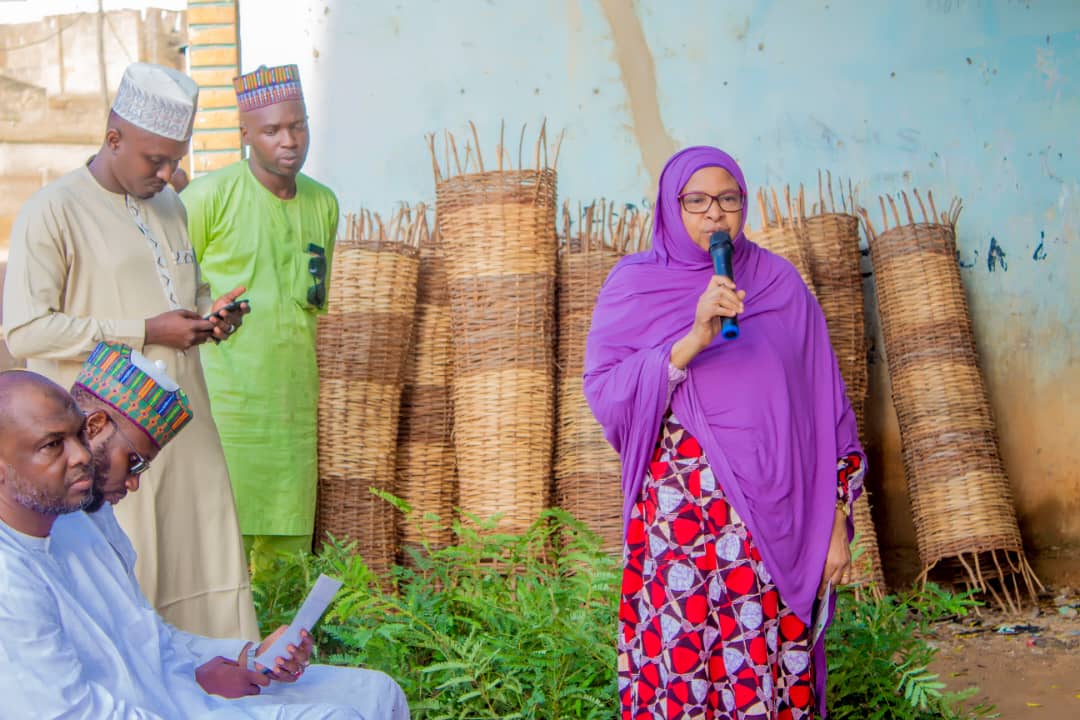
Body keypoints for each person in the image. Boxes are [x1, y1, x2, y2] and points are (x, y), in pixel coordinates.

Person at [584, 146, 865, 719]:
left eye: (729, 200)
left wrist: (837, 518)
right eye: (697, 202)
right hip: (677, 526)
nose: (716, 216)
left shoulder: (780, 286)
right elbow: (607, 392)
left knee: (761, 666)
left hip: (772, 531)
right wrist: (693, 338)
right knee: (680, 666)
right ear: (671, 207)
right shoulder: (634, 286)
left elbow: (827, 408)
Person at [1, 62, 259, 639]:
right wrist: (144, 330)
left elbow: (183, 297)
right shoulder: (54, 209)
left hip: (184, 426)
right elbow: (26, 330)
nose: (169, 174)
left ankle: (219, 683)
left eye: (176, 159)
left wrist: (213, 317)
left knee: (205, 558)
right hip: (108, 440)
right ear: (113, 138)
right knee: (131, 573)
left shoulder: (170, 206)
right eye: (155, 160)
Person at [53, 342, 410, 717]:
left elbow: (150, 636)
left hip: (175, 683)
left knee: (377, 693)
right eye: (135, 462)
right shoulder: (37, 533)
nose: (134, 484)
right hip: (151, 702)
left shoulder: (96, 518)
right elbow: (84, 686)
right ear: (94, 426)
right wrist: (191, 683)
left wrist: (250, 655)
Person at [182, 64, 338, 577]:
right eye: (272, 130)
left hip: (293, 409)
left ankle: (279, 655)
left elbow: (311, 301)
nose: (289, 141)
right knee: (221, 551)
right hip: (226, 407)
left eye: (298, 126)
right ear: (245, 134)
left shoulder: (324, 203)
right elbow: (169, 295)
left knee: (288, 552)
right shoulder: (206, 198)